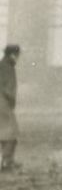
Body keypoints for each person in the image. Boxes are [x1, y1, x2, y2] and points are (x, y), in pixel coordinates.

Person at [0, 39, 18, 171]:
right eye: (16, 55)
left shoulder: (2, 65)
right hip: (3, 103)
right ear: (12, 54)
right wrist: (11, 101)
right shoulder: (8, 68)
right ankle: (7, 161)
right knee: (11, 131)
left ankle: (6, 160)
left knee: (4, 131)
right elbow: (8, 88)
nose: (17, 58)